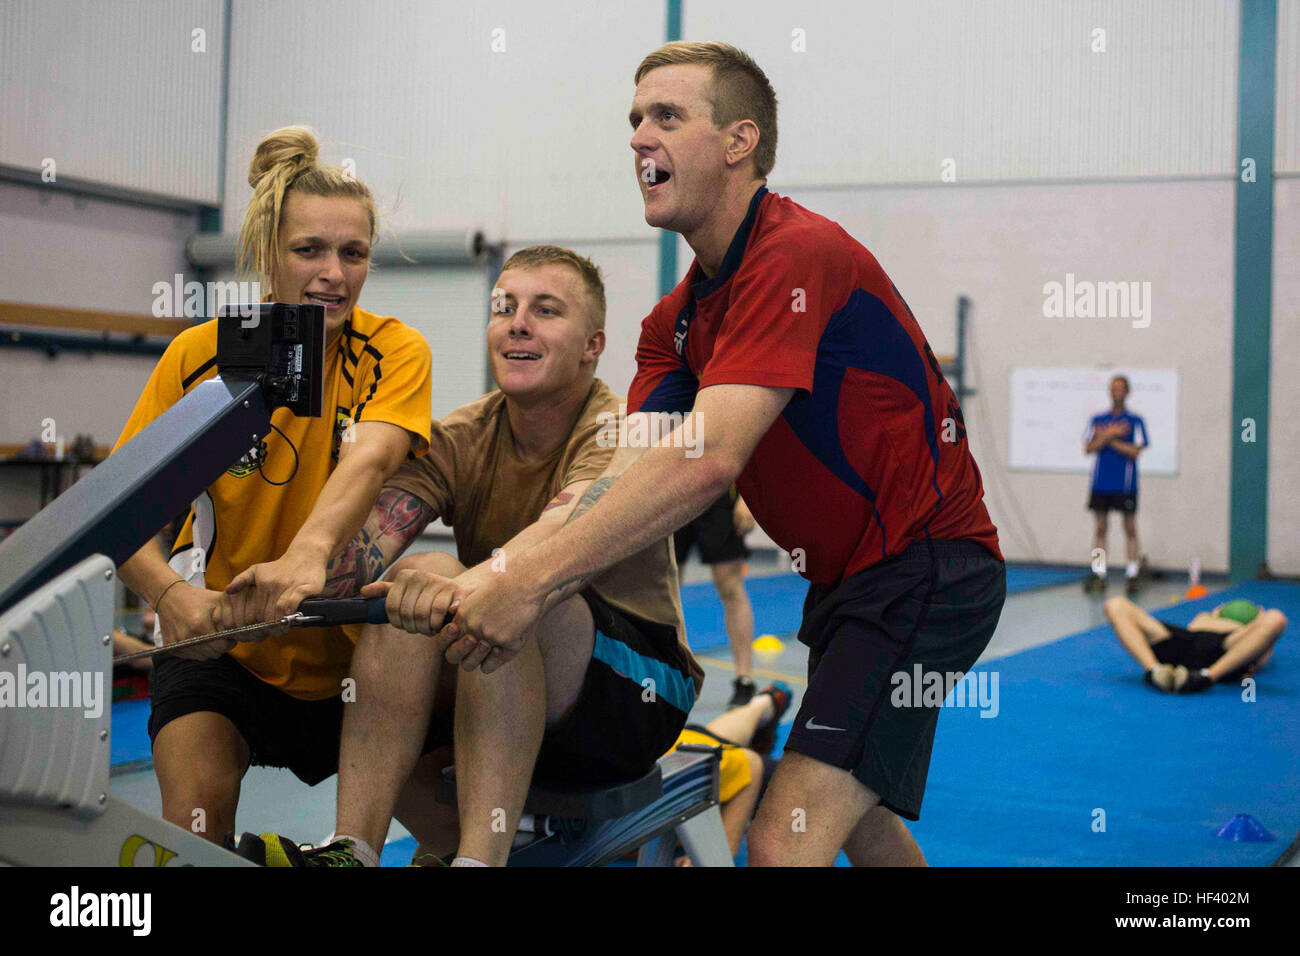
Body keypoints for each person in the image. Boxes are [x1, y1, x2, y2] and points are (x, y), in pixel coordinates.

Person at [408, 41, 1006, 868]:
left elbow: (708, 461)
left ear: (740, 142)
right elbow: (620, 474)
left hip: (929, 570)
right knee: (858, 812)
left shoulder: (795, 255)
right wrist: (503, 571)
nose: (637, 137)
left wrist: (533, 583)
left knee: (782, 835)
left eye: (666, 115)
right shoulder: (672, 325)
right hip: (849, 582)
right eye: (633, 119)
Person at [263, 245, 705, 868]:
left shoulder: (621, 428)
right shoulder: (462, 435)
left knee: (505, 592)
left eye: (546, 310)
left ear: (592, 345)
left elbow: (560, 536)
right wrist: (279, 582)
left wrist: (454, 588)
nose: (517, 323)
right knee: (395, 601)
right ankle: (351, 852)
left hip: (636, 693)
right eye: (505, 308)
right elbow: (357, 556)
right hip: (501, 682)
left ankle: (478, 862)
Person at [112, 126, 432, 844]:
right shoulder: (199, 357)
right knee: (194, 834)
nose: (334, 273)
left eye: (353, 253)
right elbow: (125, 514)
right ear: (268, 256)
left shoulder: (395, 351)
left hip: (352, 658)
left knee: (451, 823)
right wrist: (171, 596)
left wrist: (306, 557)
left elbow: (372, 459)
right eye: (309, 250)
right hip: (221, 652)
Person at [664, 681, 791, 865]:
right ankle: (764, 704)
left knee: (812, 794)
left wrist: (715, 854)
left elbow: (750, 764)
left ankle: (762, 706)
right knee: (709, 739)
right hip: (690, 744)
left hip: (702, 764)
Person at [674, 486, 759, 704]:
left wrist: (747, 497)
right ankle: (669, 672)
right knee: (667, 588)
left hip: (720, 493)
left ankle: (744, 679)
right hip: (674, 492)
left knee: (730, 587)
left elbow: (754, 451)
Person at [1105, 597, 1286, 692]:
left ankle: (1205, 678)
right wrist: (1214, 616)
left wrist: (1257, 622)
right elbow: (1194, 628)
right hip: (1184, 642)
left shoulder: (1245, 635)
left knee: (1277, 618)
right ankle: (1155, 671)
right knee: (1115, 605)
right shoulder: (1204, 617)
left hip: (1223, 651)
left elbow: (1261, 652)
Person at [1082, 375, 1148, 595]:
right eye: (1114, 388)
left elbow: (1135, 451)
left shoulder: (1134, 421)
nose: (1117, 392)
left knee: (1129, 528)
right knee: (1100, 528)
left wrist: (1109, 439)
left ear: (1127, 392)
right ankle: (1099, 572)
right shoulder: (1098, 419)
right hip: (1101, 483)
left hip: (1126, 485)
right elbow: (1089, 447)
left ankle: (1131, 573)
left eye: (1121, 388)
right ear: (1110, 392)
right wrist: (1111, 433)